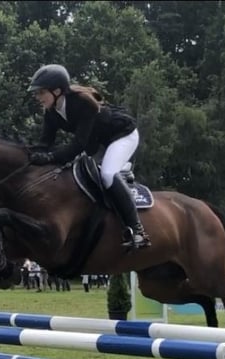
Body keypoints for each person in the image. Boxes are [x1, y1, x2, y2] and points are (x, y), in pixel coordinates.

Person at [26, 64, 150, 249]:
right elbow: (45, 144)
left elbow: (78, 145)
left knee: (107, 174)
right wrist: (27, 156)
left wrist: (49, 157)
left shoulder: (82, 103)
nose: (38, 97)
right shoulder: (51, 113)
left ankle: (137, 230)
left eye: (41, 92)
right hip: (98, 144)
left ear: (57, 91)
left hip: (122, 135)